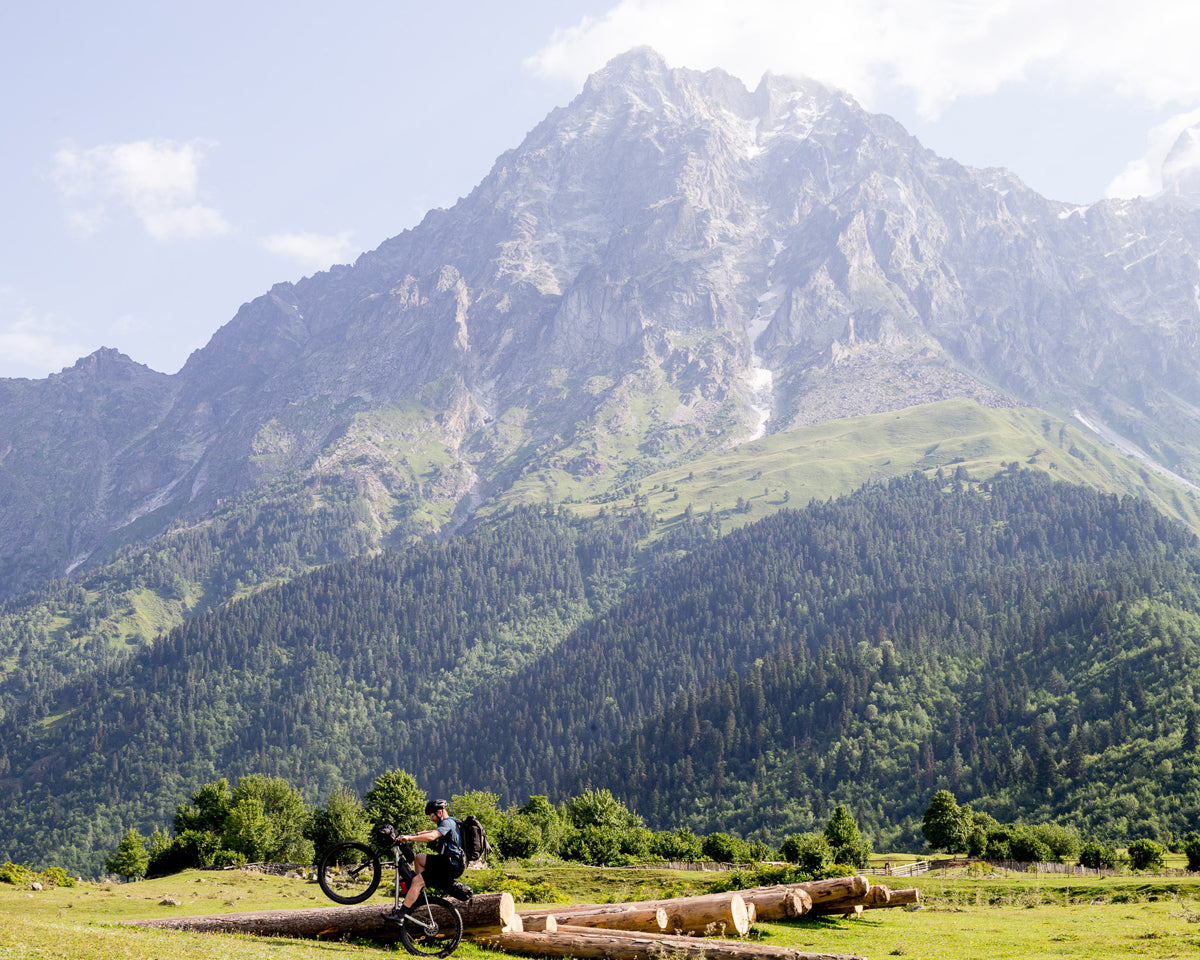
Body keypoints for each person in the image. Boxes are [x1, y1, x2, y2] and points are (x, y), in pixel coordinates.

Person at [386, 798, 468, 922]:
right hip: (449, 862)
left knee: (417, 881)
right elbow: (429, 831)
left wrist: (409, 838)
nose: (431, 819)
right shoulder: (449, 822)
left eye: (431, 816)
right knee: (419, 858)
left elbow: (431, 836)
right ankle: (418, 891)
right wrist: (412, 835)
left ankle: (400, 915)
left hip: (451, 864)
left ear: (439, 812)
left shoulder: (447, 823)